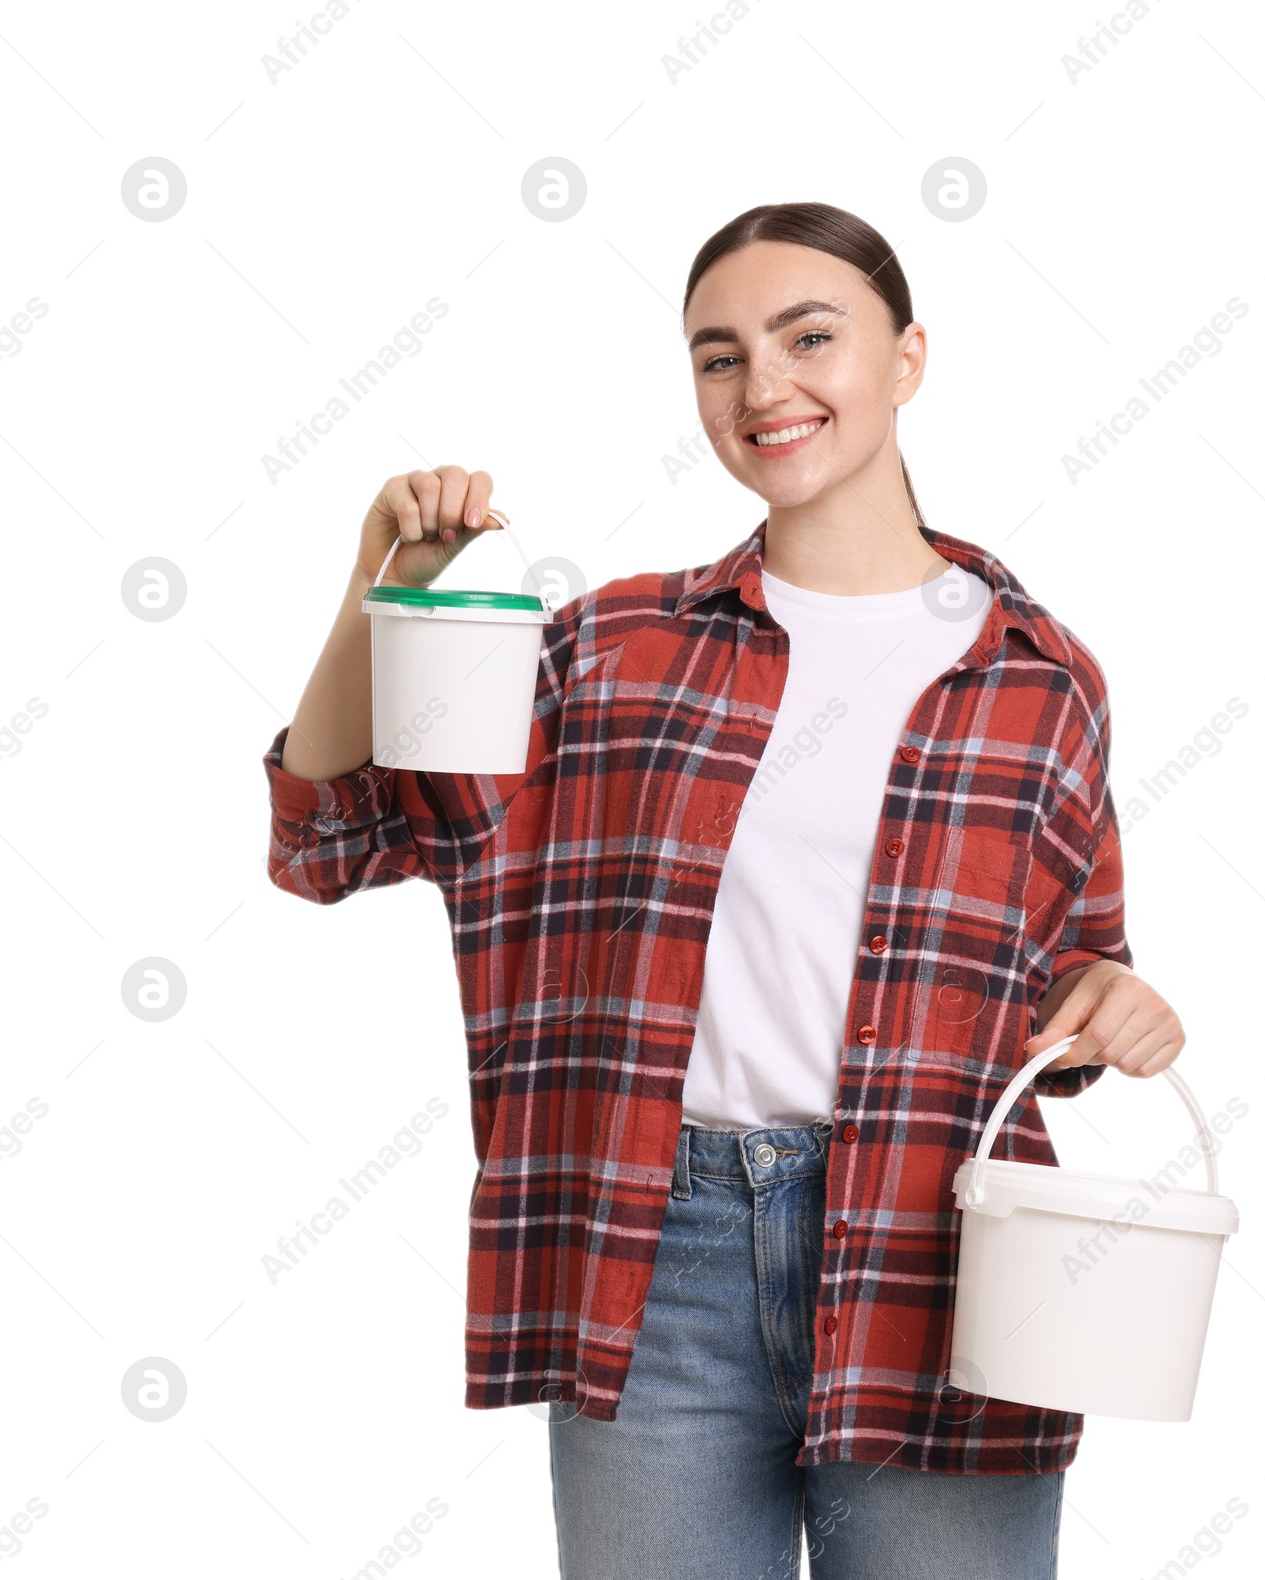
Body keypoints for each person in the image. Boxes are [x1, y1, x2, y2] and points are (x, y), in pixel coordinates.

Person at [263, 201, 1185, 1579]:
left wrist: (1117, 1005)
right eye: (719, 356)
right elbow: (331, 840)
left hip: (937, 1255)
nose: (765, 388)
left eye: (810, 337)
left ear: (907, 356)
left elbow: (1067, 994)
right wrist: (384, 587)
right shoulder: (612, 650)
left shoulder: (1044, 681)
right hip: (655, 1251)